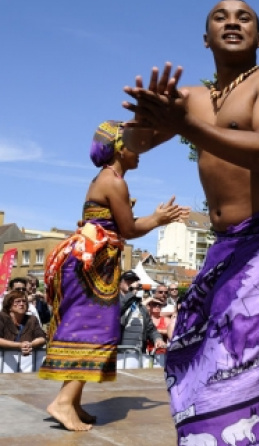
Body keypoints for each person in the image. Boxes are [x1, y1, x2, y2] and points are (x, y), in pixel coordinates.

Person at [121, 2, 259, 443]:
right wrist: (143, 123)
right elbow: (132, 146)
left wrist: (186, 126)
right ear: (206, 38)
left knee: (256, 373)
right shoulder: (193, 99)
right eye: (220, 16)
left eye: (244, 17)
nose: (232, 21)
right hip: (225, 252)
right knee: (196, 363)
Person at [38, 121, 187, 432]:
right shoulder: (114, 182)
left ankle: (72, 402)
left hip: (92, 267)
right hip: (92, 269)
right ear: (120, 147)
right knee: (96, 331)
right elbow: (129, 229)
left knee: (86, 330)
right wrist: (159, 219)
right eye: (135, 143)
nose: (141, 151)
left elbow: (123, 226)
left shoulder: (108, 178)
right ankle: (63, 402)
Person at [119, 270, 166, 354]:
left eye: (133, 281)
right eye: (128, 280)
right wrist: (131, 292)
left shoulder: (141, 307)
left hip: (138, 354)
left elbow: (151, 329)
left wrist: (158, 339)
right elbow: (119, 310)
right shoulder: (114, 303)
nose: (131, 283)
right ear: (120, 283)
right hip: (119, 354)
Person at [0, 290, 47, 354]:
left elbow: (42, 338)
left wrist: (30, 345)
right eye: (18, 301)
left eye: (24, 301)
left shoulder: (32, 319)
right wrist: (19, 345)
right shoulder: (2, 317)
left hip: (26, 361)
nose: (21, 304)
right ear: (9, 305)